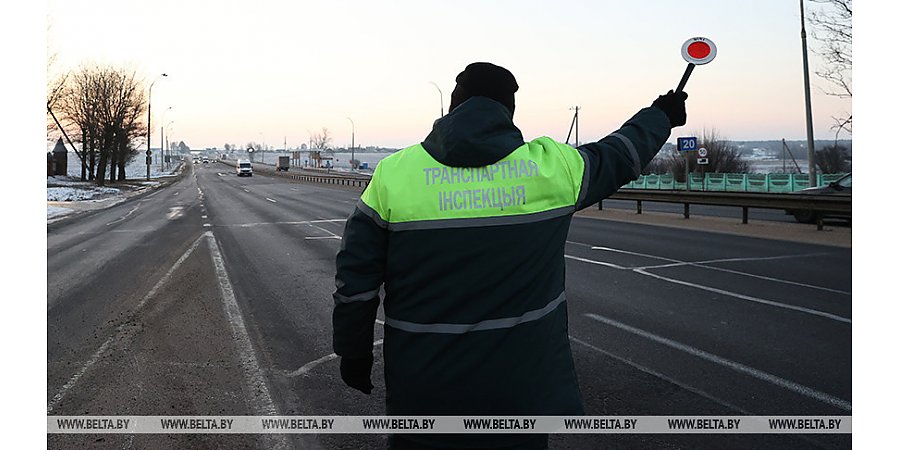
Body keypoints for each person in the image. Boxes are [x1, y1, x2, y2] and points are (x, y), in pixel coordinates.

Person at [333, 62, 687, 449]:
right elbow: (619, 154)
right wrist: (660, 115)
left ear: (452, 106)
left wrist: (354, 353)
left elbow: (356, 281)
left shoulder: (394, 174)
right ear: (509, 111)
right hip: (520, 392)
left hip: (425, 389)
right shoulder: (551, 168)